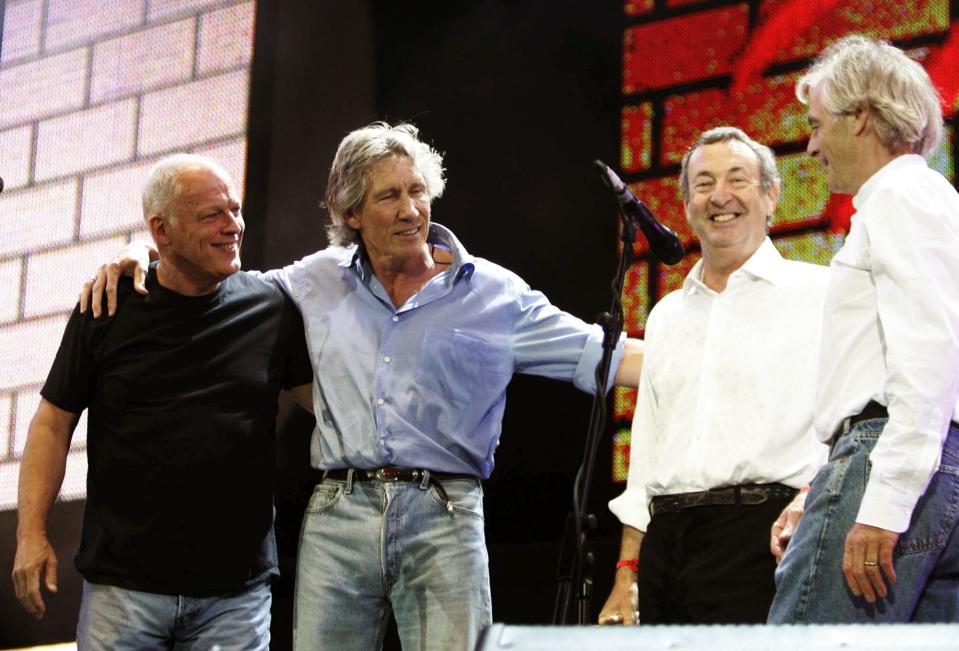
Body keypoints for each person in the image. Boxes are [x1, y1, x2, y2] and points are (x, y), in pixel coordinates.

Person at [80, 122, 644, 651]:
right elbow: (215, 284)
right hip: (338, 514)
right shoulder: (314, 279)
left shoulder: (493, 294)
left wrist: (709, 355)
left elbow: (605, 354)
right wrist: (142, 254)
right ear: (350, 211)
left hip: (445, 516)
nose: (411, 210)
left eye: (418, 191)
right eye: (389, 197)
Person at [11, 154, 314, 650]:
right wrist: (30, 534)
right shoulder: (108, 305)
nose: (233, 226)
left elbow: (328, 405)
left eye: (234, 210)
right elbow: (52, 423)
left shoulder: (270, 307)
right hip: (123, 593)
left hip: (235, 598)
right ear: (162, 231)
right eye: (211, 215)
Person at [597, 126, 829, 625]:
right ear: (685, 205)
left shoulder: (820, 294)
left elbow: (849, 424)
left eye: (737, 179)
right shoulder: (665, 315)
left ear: (771, 196)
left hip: (767, 537)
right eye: (703, 184)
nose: (719, 196)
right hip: (667, 546)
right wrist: (626, 572)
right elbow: (647, 452)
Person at [767, 34, 959, 624]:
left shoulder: (900, 197)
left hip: (889, 461)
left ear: (862, 119)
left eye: (819, 123)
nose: (811, 142)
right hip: (932, 467)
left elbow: (929, 353)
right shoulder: (930, 198)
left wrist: (882, 503)